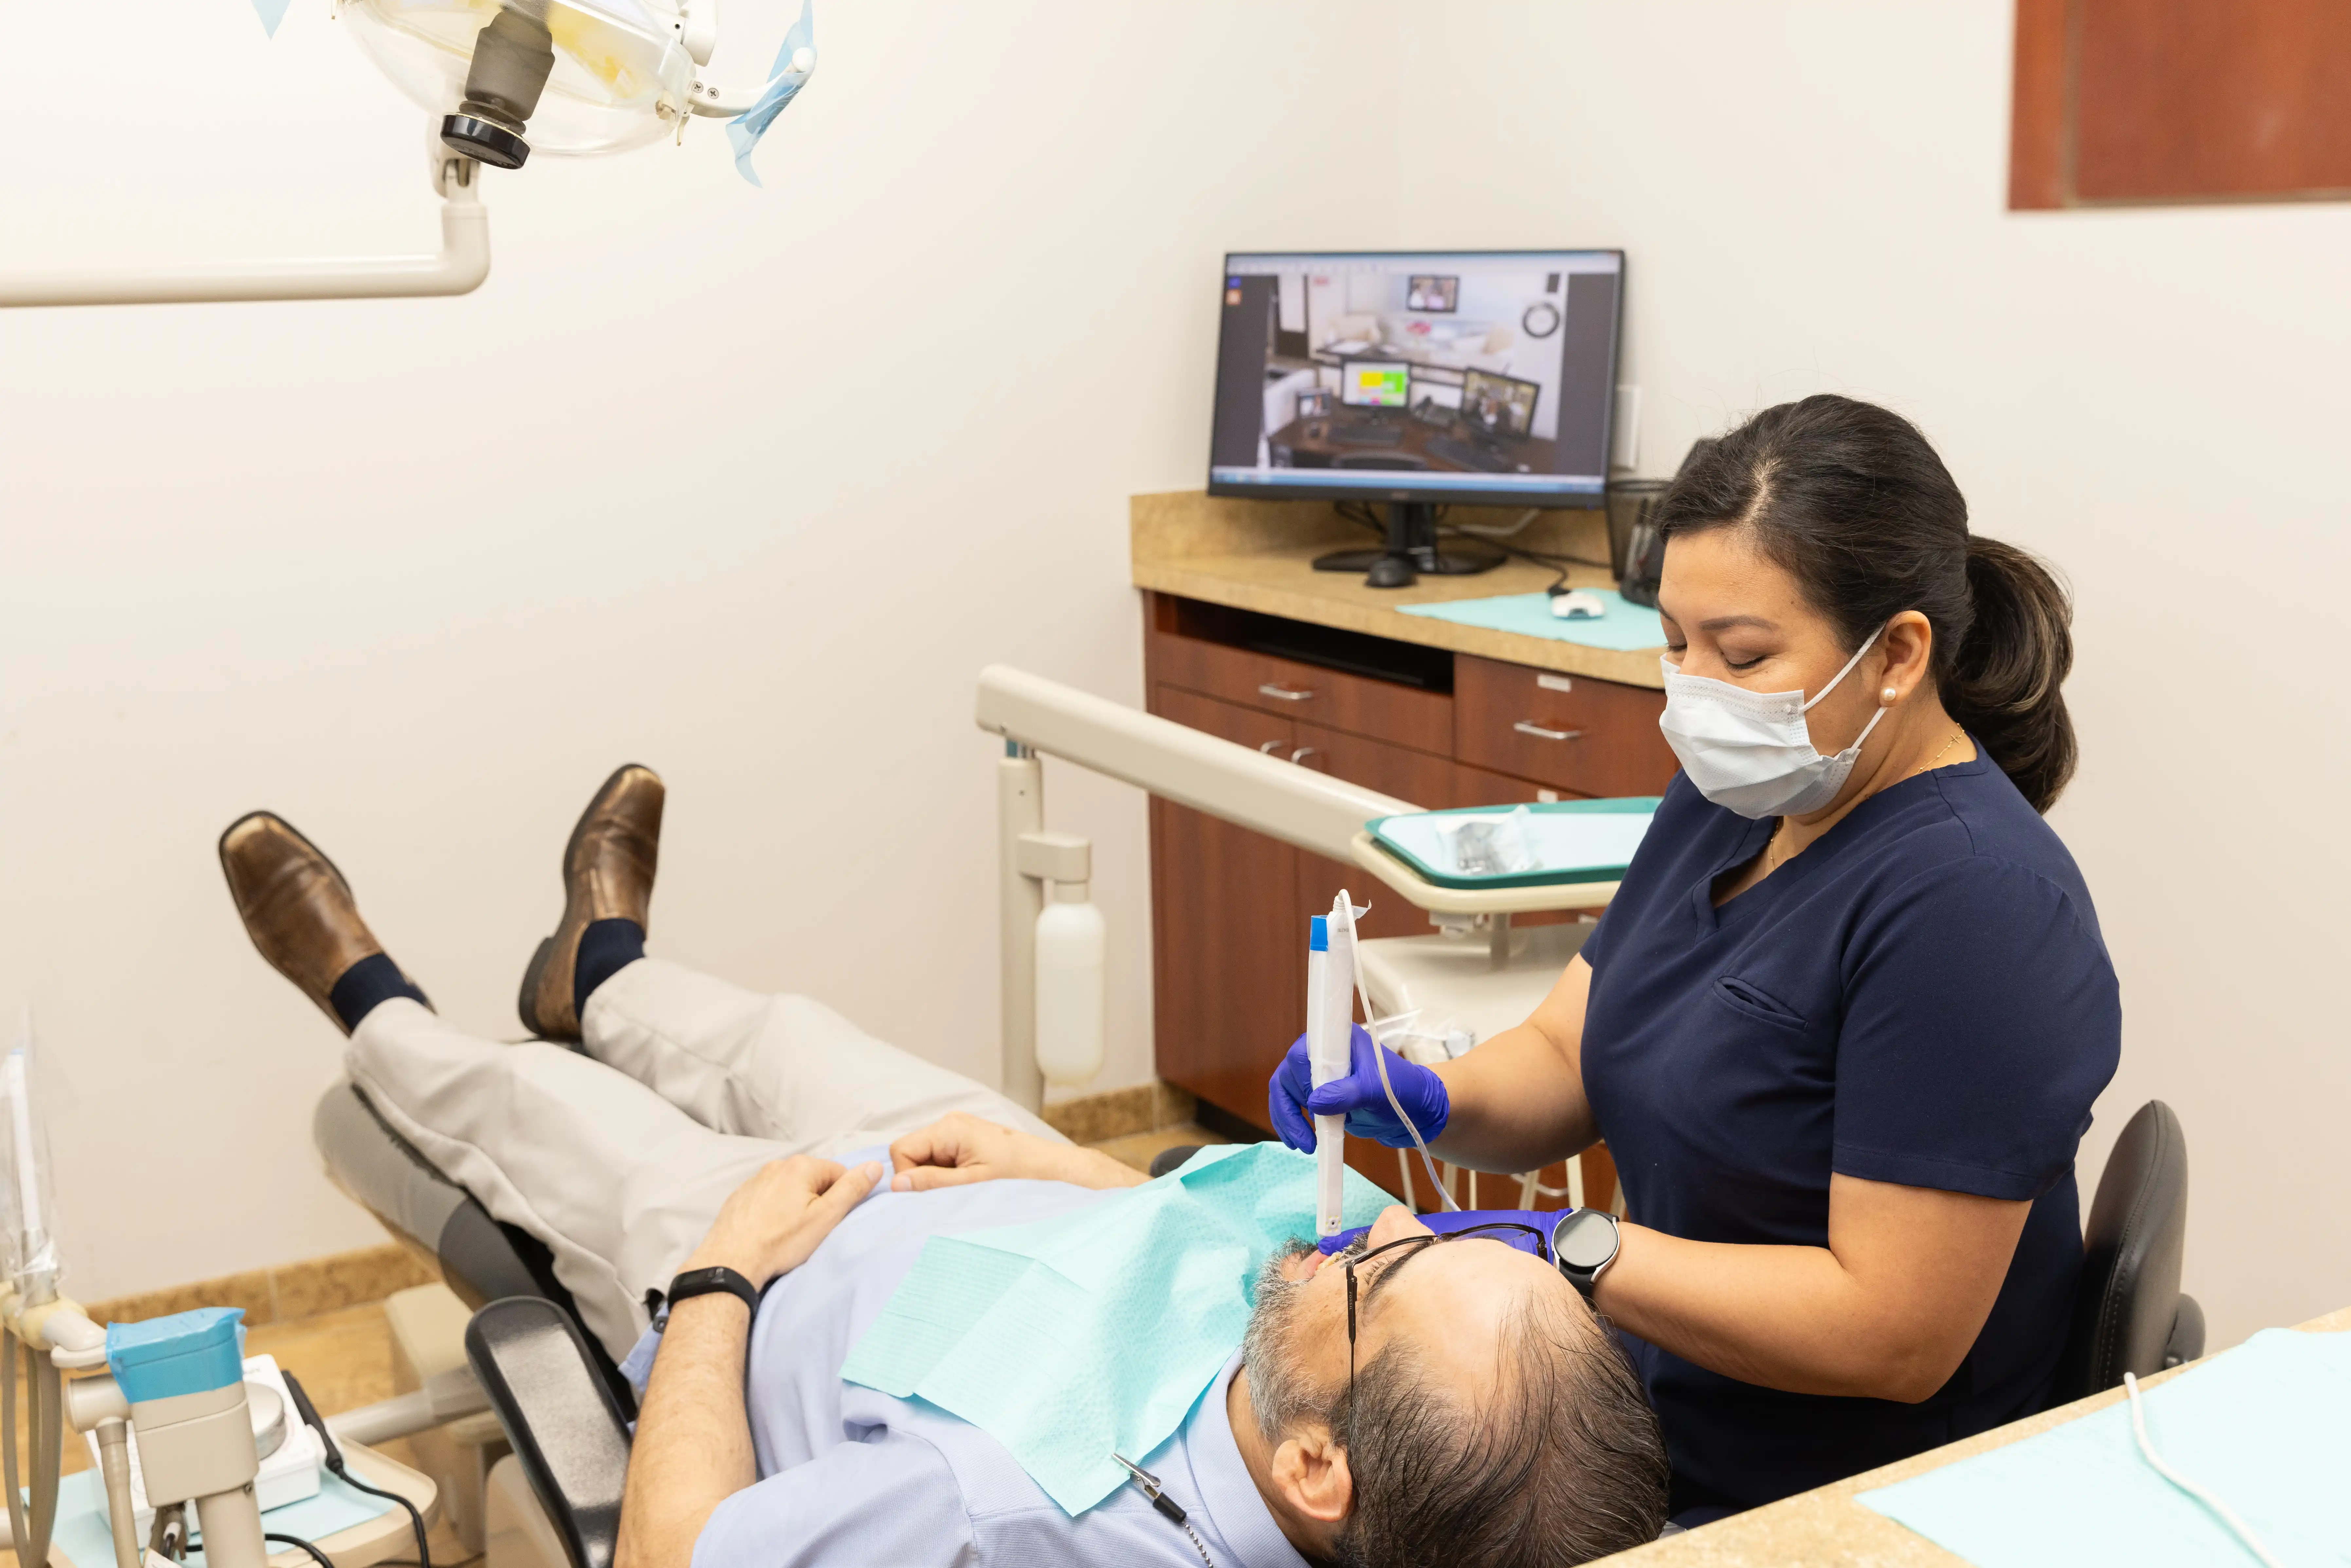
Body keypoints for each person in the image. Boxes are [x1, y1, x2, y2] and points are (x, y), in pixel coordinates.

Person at [219, 766, 1671, 1568]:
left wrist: (719, 1276)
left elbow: (676, 1563)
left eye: (1381, 1271)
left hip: (786, 1263)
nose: (1363, 1231)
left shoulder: (986, 1524)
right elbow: (1255, 1247)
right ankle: (601, 971)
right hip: (993, 1175)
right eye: (1448, 1237)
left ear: (1314, 1470)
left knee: (539, 1110)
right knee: (784, 1035)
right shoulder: (1359, 1376)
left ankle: (374, 1007)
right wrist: (1059, 1162)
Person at [1272, 395, 2122, 1523]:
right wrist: (1425, 1095)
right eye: (1676, 641)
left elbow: (1891, 1333)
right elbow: (1567, 1054)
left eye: (1742, 653)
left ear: (1896, 654)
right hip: (1648, 1423)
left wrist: (1573, 1246)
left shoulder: (1975, 906)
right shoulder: (1732, 799)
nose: (1695, 688)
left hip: (1833, 1502)